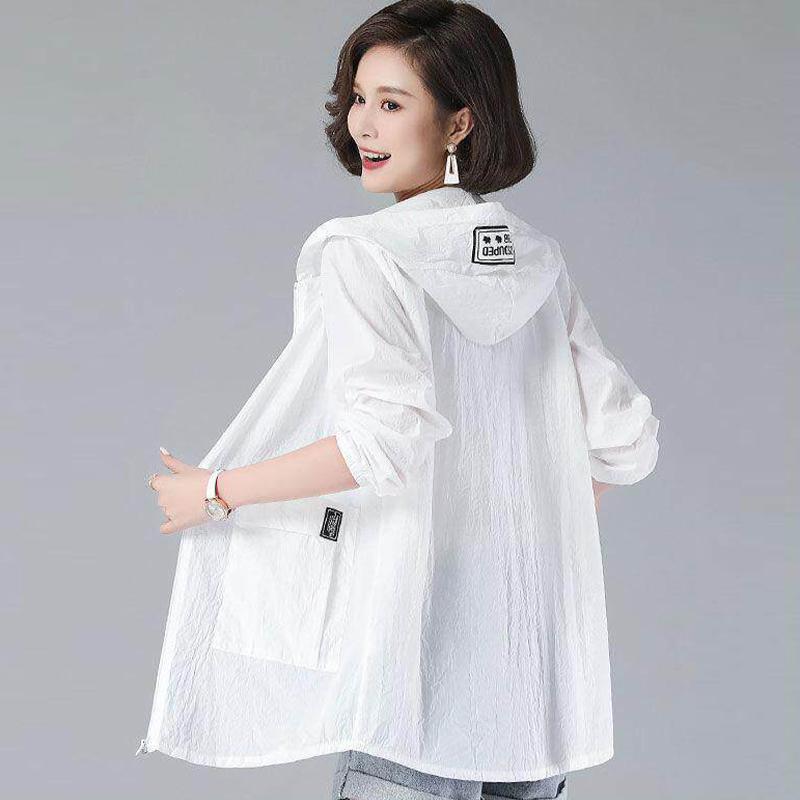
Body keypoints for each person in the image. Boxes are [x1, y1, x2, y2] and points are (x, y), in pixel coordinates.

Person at [139, 2, 660, 799]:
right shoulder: (535, 260)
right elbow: (624, 437)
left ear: (458, 123)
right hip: (529, 684)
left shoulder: (366, 253)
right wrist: (526, 522)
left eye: (392, 102)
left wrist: (215, 491)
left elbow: (383, 442)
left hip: (409, 662)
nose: (363, 125)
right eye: (359, 98)